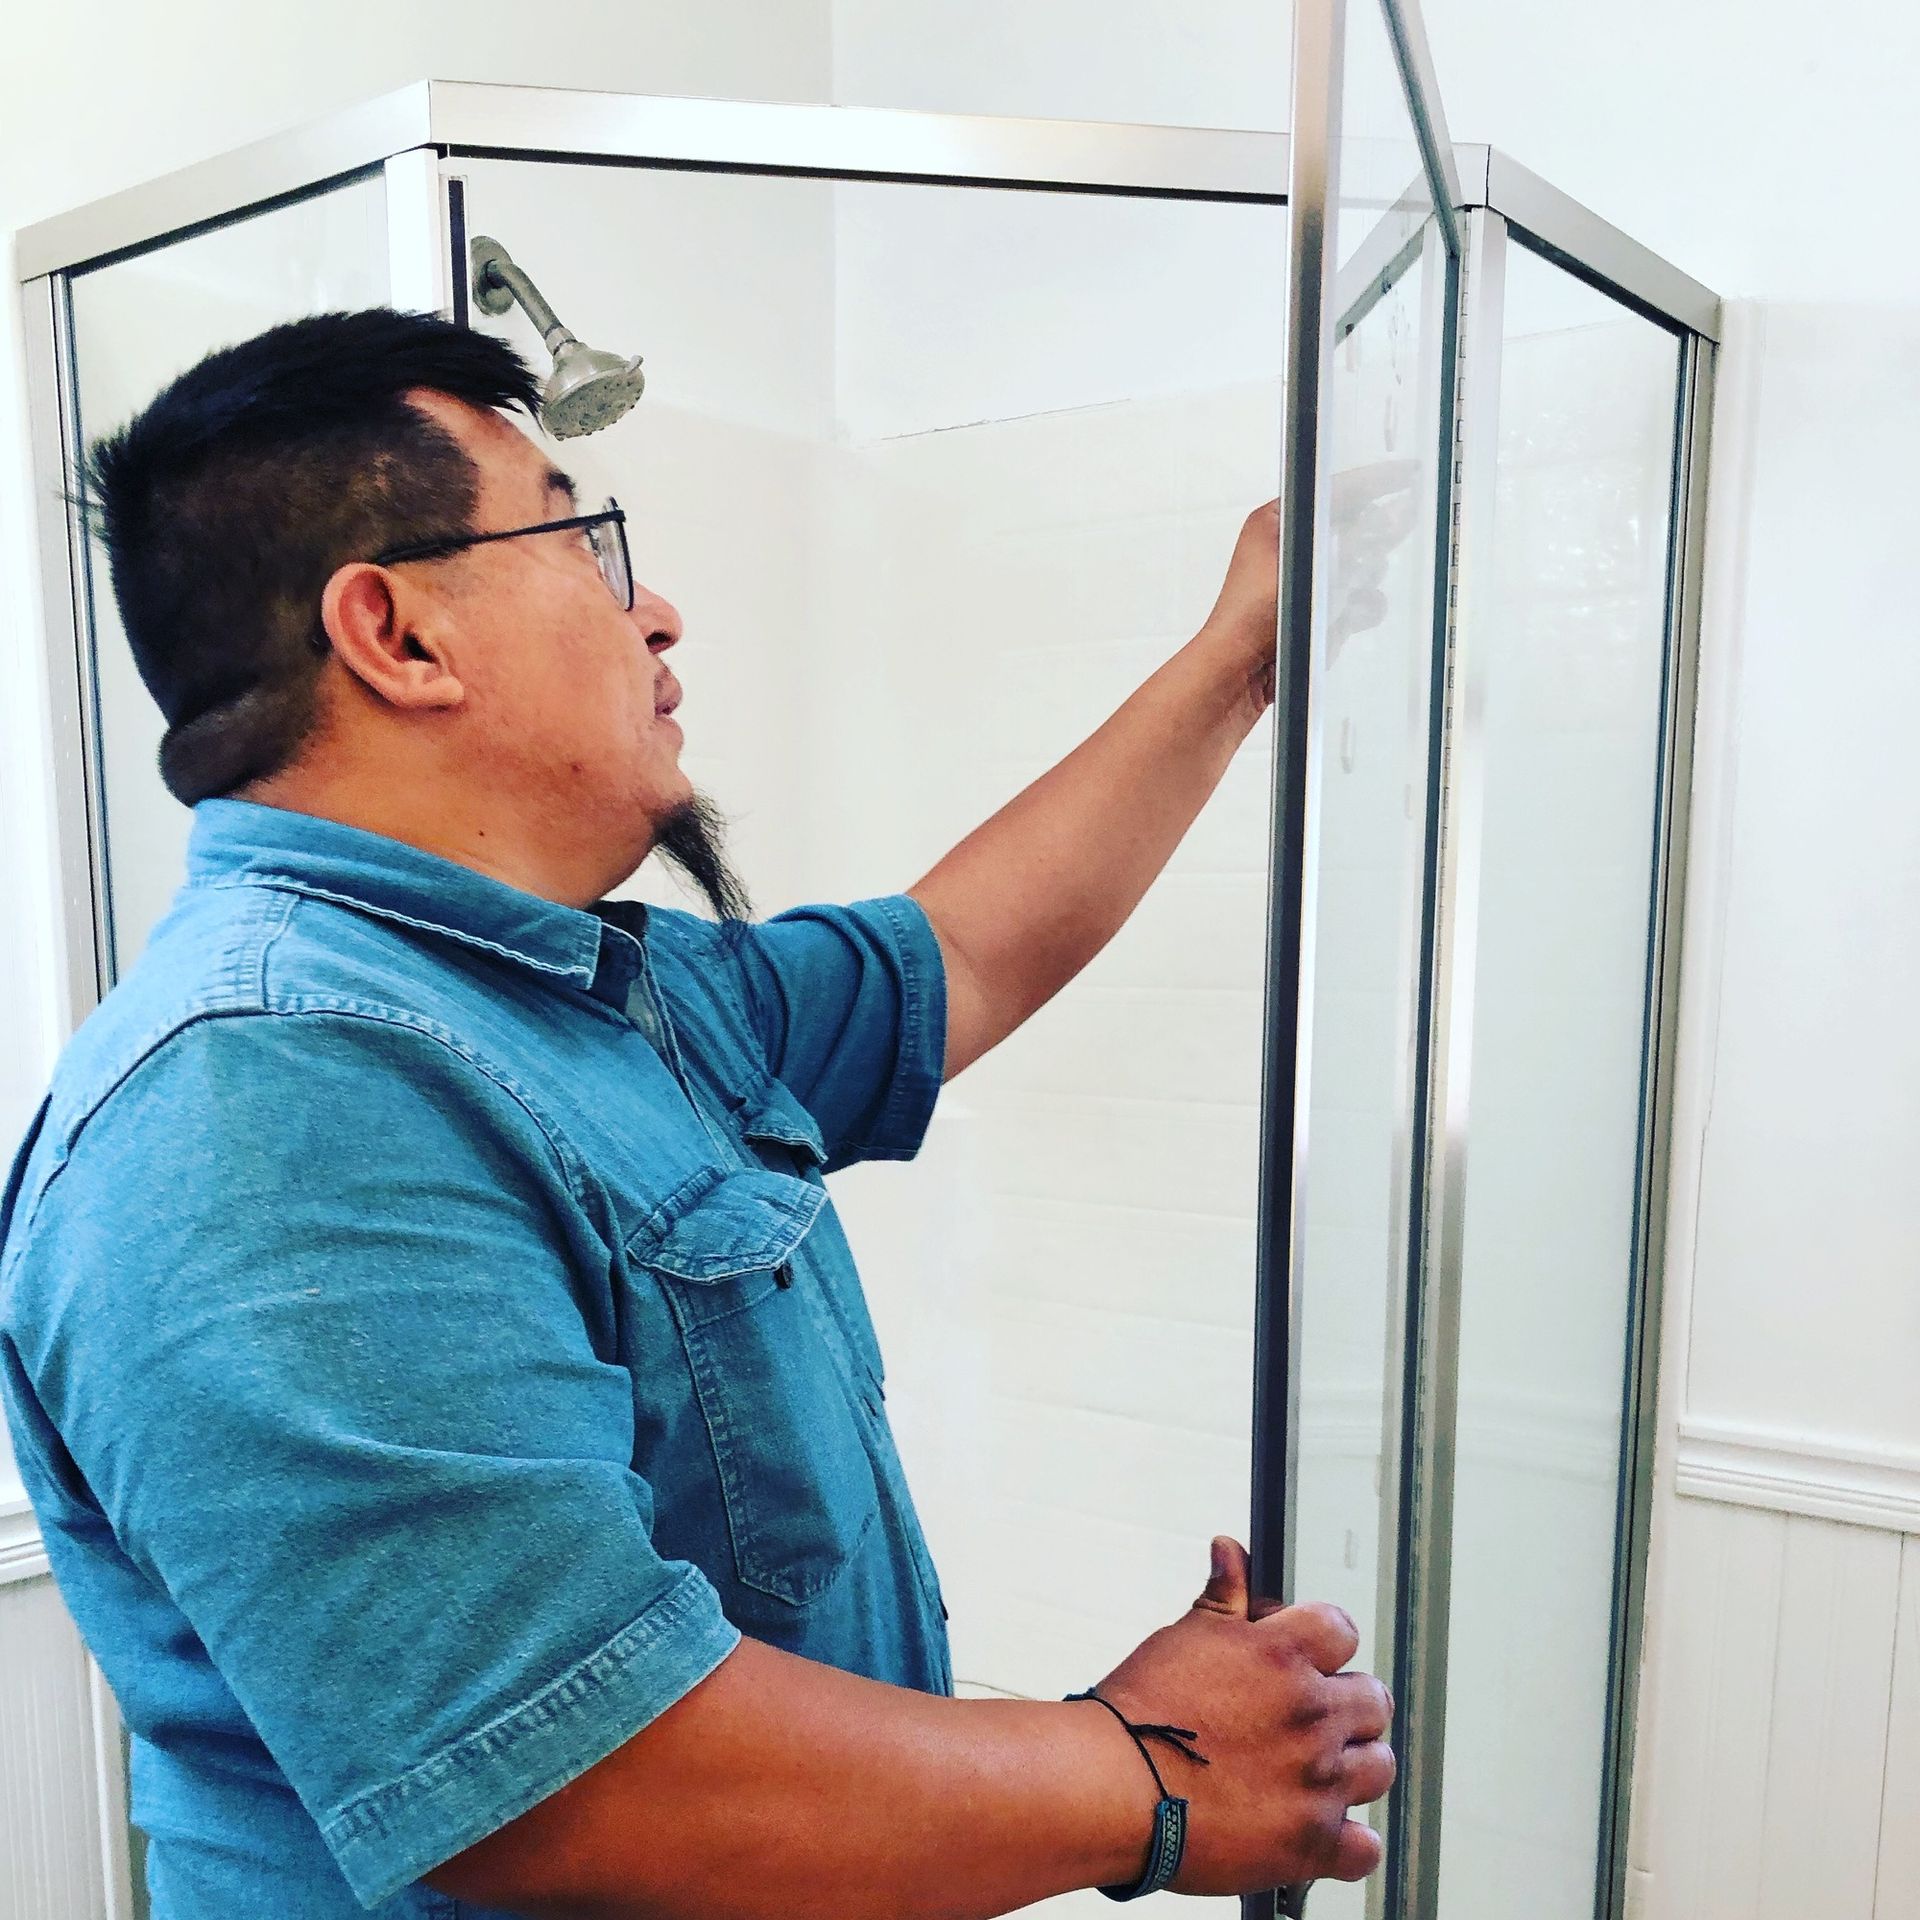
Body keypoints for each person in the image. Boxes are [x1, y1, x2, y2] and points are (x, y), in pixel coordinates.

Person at [0, 308, 1393, 1919]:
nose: (655, 611)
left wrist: (1240, 655)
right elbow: (576, 1779)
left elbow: (962, 952)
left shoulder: (586, 998)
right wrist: (1144, 1771)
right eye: (589, 546)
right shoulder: (266, 1095)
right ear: (398, 635)